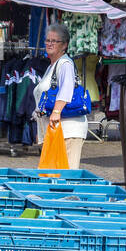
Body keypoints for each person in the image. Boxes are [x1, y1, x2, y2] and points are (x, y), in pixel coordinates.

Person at [33, 23, 89, 169]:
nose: (49, 44)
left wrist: (56, 111)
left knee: (65, 175)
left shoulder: (65, 64)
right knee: (54, 174)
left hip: (68, 130)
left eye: (54, 41)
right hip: (57, 131)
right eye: (47, 40)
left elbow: (67, 88)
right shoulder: (53, 65)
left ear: (64, 45)